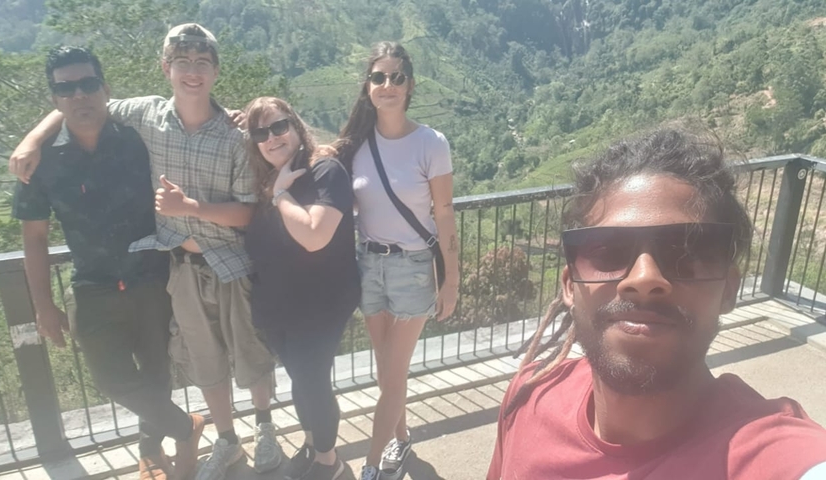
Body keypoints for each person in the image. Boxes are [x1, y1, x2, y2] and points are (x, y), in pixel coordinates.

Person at [7, 24, 282, 480]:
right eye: (182, 62)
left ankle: (227, 435)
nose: (191, 72)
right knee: (163, 371)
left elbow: (253, 206)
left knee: (219, 361)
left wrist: (191, 204)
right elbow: (80, 113)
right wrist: (33, 138)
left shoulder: (195, 133)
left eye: (201, 62)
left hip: (194, 268)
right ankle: (207, 435)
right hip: (138, 275)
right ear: (166, 68)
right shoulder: (131, 123)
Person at [486, 129, 826, 480]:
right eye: (608, 252)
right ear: (570, 286)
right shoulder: (531, 393)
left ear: (728, 290)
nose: (644, 278)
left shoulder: (772, 456)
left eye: (686, 253)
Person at [12, 46, 204, 480]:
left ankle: (150, 453)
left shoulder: (139, 136)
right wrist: (43, 306)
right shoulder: (42, 160)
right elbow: (35, 237)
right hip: (92, 287)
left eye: (87, 83)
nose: (79, 95)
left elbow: (190, 112)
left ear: (105, 88)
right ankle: (185, 428)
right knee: (111, 380)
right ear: (55, 99)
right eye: (66, 88)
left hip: (151, 277)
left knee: (156, 375)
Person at [333, 42, 460, 480]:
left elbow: (444, 213)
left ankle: (370, 467)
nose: (387, 85)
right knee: (387, 374)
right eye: (378, 77)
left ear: (410, 86)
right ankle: (400, 441)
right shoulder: (355, 145)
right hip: (368, 264)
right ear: (367, 86)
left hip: (411, 267)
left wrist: (452, 280)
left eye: (397, 77)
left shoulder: (431, 143)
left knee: (392, 373)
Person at [243, 97, 360, 480]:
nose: (272, 137)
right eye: (261, 132)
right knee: (301, 380)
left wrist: (281, 196)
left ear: (295, 126)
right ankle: (313, 445)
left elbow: (314, 235)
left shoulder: (325, 171)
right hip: (278, 305)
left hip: (320, 304)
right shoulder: (266, 181)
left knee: (313, 379)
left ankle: (331, 464)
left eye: (279, 126)